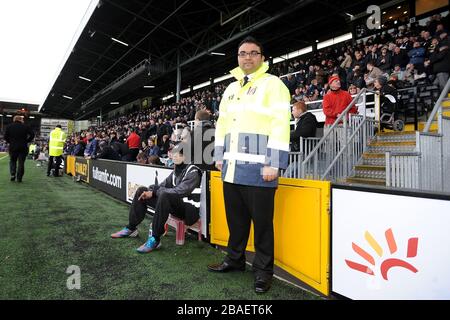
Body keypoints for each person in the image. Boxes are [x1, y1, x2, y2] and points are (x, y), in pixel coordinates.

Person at [207, 36, 291, 294]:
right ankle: (234, 260)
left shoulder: (273, 84)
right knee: (237, 221)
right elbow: (222, 125)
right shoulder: (231, 89)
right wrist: (219, 155)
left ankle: (263, 271)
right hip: (231, 169)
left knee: (262, 225)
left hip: (260, 170)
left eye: (253, 53)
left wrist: (274, 163)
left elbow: (280, 123)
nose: (247, 57)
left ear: (262, 58)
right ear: (238, 58)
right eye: (243, 53)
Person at [110, 142, 202, 253]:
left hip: (190, 211)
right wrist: (151, 190)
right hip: (177, 205)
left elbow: (179, 191)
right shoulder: (176, 170)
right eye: (173, 153)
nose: (173, 156)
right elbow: (162, 186)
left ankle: (155, 238)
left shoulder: (193, 171)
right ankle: (131, 228)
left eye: (177, 154)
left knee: (164, 194)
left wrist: (154, 192)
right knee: (142, 190)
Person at [4, 115, 35, 182]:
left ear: (14, 119)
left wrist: (10, 141)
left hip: (13, 147)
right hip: (23, 147)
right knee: (21, 163)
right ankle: (19, 178)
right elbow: (32, 134)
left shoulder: (9, 126)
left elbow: (5, 137)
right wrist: (27, 140)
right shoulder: (26, 126)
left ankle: (12, 174)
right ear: (21, 120)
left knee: (12, 161)